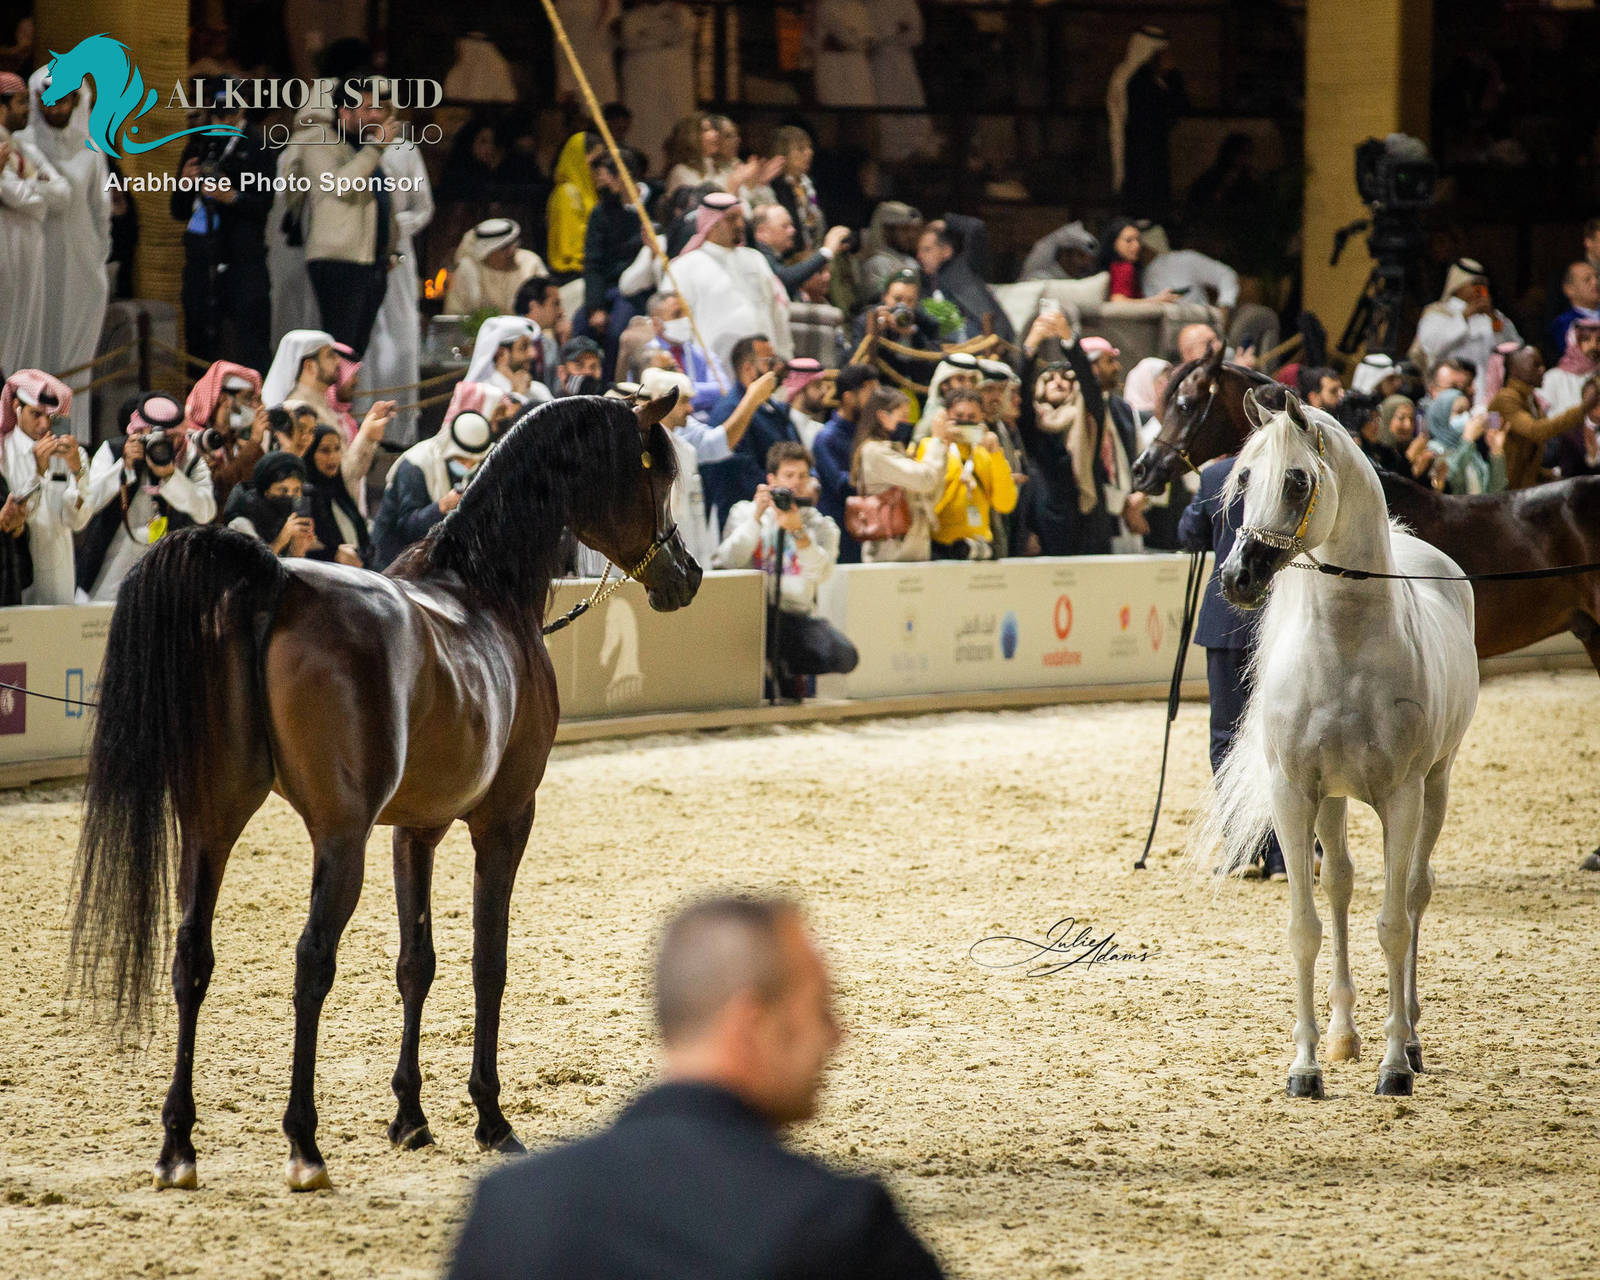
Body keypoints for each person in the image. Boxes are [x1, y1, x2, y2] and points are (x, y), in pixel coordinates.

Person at [447, 895, 941, 1280]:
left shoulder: (509, 1207)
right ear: (751, 1025)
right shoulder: (840, 1223)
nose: (838, 1035)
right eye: (821, 1011)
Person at [1177, 450, 1286, 881]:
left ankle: (1242, 849)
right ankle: (1286, 855)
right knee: (1285, 737)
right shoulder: (1298, 472)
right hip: (1278, 618)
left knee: (1227, 737)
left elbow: (1190, 536)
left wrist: (1196, 496)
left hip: (1225, 622)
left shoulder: (1217, 474)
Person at [713, 442, 860, 681]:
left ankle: (786, 670)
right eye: (788, 475)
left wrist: (799, 533)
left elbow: (820, 574)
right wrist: (756, 518)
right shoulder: (743, 512)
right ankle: (774, 675)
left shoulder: (822, 525)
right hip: (750, 615)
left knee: (844, 655)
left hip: (795, 618)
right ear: (771, 480)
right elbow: (728, 562)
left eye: (803, 476)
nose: (796, 483)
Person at [19, 68, 111, 440]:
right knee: (29, 355)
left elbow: (101, 212)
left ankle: (73, 443)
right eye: (48, 97)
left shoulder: (92, 150)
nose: (55, 105)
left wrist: (94, 259)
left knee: (74, 363)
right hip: (31, 266)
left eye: (64, 98)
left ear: (78, 101)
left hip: (81, 268)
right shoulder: (21, 143)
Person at [78, 393, 218, 602]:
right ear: (140, 432)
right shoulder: (114, 450)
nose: (166, 445)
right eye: (158, 438)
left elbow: (206, 512)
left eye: (173, 438)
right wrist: (123, 467)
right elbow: (89, 504)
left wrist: (171, 475)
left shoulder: (190, 460)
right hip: (109, 573)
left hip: (165, 575)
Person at [301, 76, 401, 357]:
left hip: (372, 264)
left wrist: (389, 251)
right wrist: (375, 149)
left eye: (377, 108)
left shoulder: (366, 148)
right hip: (339, 262)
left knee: (356, 350)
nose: (376, 115)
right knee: (340, 347)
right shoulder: (320, 144)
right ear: (344, 111)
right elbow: (341, 186)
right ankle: (332, 402)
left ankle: (346, 400)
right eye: (367, 108)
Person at [640, 363, 779, 566]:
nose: (690, 408)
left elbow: (696, 513)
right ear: (662, 403)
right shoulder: (640, 447)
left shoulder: (686, 448)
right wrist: (752, 398)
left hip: (688, 547)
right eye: (683, 402)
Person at [371, 382, 512, 569]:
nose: (468, 466)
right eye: (461, 459)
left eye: (472, 461)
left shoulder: (484, 458)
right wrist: (441, 507)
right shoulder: (417, 464)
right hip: (394, 567)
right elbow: (407, 528)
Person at [664, 192, 793, 367]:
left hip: (762, 365)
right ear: (712, 224)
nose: (740, 224)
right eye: (732, 219)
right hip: (712, 370)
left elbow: (776, 311)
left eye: (740, 218)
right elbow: (673, 322)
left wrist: (785, 355)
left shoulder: (755, 259)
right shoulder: (685, 267)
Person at [362, 134, 433, 444]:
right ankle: (359, 427)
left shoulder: (404, 148)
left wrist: (393, 225)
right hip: (357, 250)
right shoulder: (344, 143)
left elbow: (423, 207)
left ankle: (398, 432)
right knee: (364, 341)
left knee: (401, 341)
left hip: (398, 252)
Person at [0, 70, 70, 377]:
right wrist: (35, 184)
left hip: (30, 243)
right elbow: (16, 196)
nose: (28, 108)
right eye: (20, 102)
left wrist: (28, 182)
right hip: (7, 242)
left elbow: (63, 193)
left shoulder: (23, 148)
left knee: (27, 332)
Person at [0, 370, 91, 604]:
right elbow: (18, 517)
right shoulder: (4, 454)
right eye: (36, 415)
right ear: (16, 406)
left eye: (50, 417)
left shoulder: (73, 454)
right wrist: (39, 472)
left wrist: (77, 471)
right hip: (20, 573)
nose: (44, 424)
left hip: (61, 576)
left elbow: (78, 520)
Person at [701, 335, 797, 528]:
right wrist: (785, 488)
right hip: (744, 517)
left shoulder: (774, 408)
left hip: (778, 510)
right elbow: (742, 474)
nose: (777, 367)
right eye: (770, 362)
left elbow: (794, 452)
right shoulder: (730, 412)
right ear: (748, 369)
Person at [849, 386, 947, 563]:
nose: (907, 422)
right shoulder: (874, 452)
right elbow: (925, 480)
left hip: (913, 550)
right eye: (902, 416)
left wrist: (942, 446)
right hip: (890, 553)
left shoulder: (897, 451)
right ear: (882, 416)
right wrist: (937, 441)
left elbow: (931, 492)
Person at [916, 389, 1017, 560]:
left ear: (981, 419)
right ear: (946, 416)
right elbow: (929, 503)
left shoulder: (985, 452)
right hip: (941, 546)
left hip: (980, 546)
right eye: (959, 415)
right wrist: (941, 443)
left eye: (972, 417)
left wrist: (996, 455)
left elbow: (1005, 504)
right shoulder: (930, 447)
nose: (965, 421)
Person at [1411, 259, 1519, 408]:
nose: (1480, 289)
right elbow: (1431, 346)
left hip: (1485, 393)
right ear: (1458, 285)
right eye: (1475, 284)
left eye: (1483, 284)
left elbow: (1513, 347)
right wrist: (1465, 316)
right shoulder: (1438, 313)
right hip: (1449, 395)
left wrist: (1493, 318)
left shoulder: (1493, 317)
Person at [1487, 345, 1598, 489]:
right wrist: (1583, 408)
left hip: (1522, 487)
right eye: (1536, 365)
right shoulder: (1504, 399)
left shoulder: (1530, 398)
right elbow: (1536, 431)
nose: (1542, 369)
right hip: (1504, 490)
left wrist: (1545, 474)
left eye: (1542, 364)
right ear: (1515, 369)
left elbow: (1525, 453)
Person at [1107, 26, 1187, 221]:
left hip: (1154, 157)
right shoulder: (1138, 82)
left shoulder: (1162, 80)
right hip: (1140, 158)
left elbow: (1180, 107)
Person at [811, 363, 880, 564]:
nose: (876, 403)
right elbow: (843, 485)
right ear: (849, 397)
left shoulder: (871, 434)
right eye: (871, 394)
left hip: (869, 533)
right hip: (840, 536)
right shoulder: (826, 438)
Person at [620, 1, 697, 174]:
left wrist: (647, 35)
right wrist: (658, 36)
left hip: (674, 89)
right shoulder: (634, 17)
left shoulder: (681, 13)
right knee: (643, 132)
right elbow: (629, 37)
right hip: (642, 89)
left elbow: (678, 32)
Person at [185, 360, 267, 512]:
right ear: (223, 398)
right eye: (248, 398)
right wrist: (254, 442)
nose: (255, 407)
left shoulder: (231, 438)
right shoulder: (192, 439)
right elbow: (220, 488)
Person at [916, 219, 1013, 344]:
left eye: (927, 249)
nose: (919, 256)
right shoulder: (922, 282)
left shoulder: (965, 266)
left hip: (989, 339)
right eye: (919, 250)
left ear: (946, 251)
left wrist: (947, 221)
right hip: (946, 348)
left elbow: (976, 227)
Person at [870, 0, 939, 162]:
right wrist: (894, 31)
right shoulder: (869, 4)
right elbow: (870, 34)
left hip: (902, 65)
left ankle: (910, 146)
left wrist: (892, 33)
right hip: (877, 66)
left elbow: (915, 34)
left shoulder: (906, 3)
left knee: (907, 103)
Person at [640, 293, 728, 412]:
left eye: (687, 312)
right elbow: (648, 398)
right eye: (677, 314)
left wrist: (681, 389)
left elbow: (723, 389)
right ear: (656, 323)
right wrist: (698, 392)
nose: (686, 319)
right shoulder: (646, 355)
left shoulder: (701, 353)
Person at [853, 269, 941, 388]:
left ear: (917, 302)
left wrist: (914, 334)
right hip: (879, 388)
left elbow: (934, 365)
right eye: (897, 299)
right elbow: (855, 362)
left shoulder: (926, 324)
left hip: (916, 390)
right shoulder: (868, 320)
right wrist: (876, 332)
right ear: (885, 297)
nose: (903, 306)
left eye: (910, 301)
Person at [223, 451, 319, 558]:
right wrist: (281, 540)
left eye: (296, 490)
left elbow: (288, 570)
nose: (290, 497)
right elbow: (256, 569)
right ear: (266, 491)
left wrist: (297, 550)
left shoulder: (287, 520)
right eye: (283, 490)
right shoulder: (241, 524)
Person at [301, 425, 373, 565]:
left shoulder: (340, 492)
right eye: (325, 450)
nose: (333, 457)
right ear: (310, 453)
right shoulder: (306, 497)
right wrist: (333, 555)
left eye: (337, 449)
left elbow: (362, 539)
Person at [446, 218, 549, 316]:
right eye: (504, 248)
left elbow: (550, 303)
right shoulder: (468, 270)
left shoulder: (530, 262)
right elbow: (454, 314)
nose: (511, 252)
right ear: (486, 252)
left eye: (513, 245)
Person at [751, 204, 851, 299]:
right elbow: (784, 280)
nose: (792, 230)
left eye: (791, 225)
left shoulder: (772, 254)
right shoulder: (758, 254)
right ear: (762, 232)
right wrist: (826, 252)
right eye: (784, 226)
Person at [1423, 392, 1507, 495]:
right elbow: (1449, 479)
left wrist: (1496, 451)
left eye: (1468, 411)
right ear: (1442, 415)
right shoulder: (1433, 449)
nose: (1466, 417)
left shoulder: (1472, 451)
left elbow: (1495, 491)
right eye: (1459, 412)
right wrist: (1467, 441)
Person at [546, 131, 600, 275]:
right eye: (595, 162)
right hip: (572, 273)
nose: (599, 169)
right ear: (579, 159)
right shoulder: (568, 192)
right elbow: (571, 249)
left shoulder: (589, 192)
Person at [262, 329, 342, 427]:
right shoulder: (298, 409)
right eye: (330, 355)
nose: (338, 361)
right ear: (310, 366)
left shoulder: (321, 401)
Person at [464, 316, 551, 402]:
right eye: (524, 347)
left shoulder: (538, 390)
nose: (533, 354)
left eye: (531, 346)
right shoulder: (481, 394)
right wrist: (517, 395)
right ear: (501, 354)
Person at [769, 126, 826, 254]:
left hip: (813, 250)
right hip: (788, 256)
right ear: (783, 154)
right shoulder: (775, 186)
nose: (809, 152)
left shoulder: (808, 184)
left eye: (809, 147)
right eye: (801, 149)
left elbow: (817, 218)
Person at [858, 202, 923, 302]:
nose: (911, 235)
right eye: (904, 229)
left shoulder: (910, 261)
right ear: (887, 231)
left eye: (912, 230)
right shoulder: (876, 264)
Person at [515, 275, 568, 386]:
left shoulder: (550, 345)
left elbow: (556, 391)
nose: (561, 311)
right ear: (534, 306)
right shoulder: (507, 338)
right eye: (555, 304)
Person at [1541, 319, 1600, 416]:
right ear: (1574, 342)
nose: (1593, 346)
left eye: (1599, 340)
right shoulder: (1554, 377)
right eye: (1586, 340)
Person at [1549, 261, 1600, 357]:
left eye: (1597, 277)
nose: (1595, 283)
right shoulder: (1564, 323)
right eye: (1587, 280)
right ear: (1569, 289)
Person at [1020, 221, 1100, 282]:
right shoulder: (1039, 280)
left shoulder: (1081, 283)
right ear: (1065, 255)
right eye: (1081, 256)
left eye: (1090, 259)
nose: (1086, 263)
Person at [781, 358, 830, 451]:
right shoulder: (782, 427)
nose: (824, 391)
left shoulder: (820, 430)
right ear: (799, 389)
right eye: (817, 385)